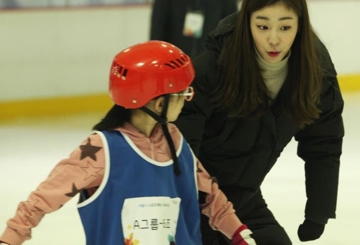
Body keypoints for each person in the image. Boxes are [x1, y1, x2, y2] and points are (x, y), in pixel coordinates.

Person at [0, 41, 256, 245]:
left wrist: (239, 235)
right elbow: (42, 200)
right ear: (159, 103)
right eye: (182, 94)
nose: (187, 99)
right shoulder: (101, 150)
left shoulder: (176, 141)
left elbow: (211, 198)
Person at [174, 0, 345, 244]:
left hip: (246, 199)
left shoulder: (316, 77)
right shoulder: (213, 69)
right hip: (197, 201)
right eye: (263, 27)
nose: (274, 39)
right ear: (247, 24)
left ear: (300, 27)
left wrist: (318, 212)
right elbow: (182, 148)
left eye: (285, 27)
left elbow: (324, 143)